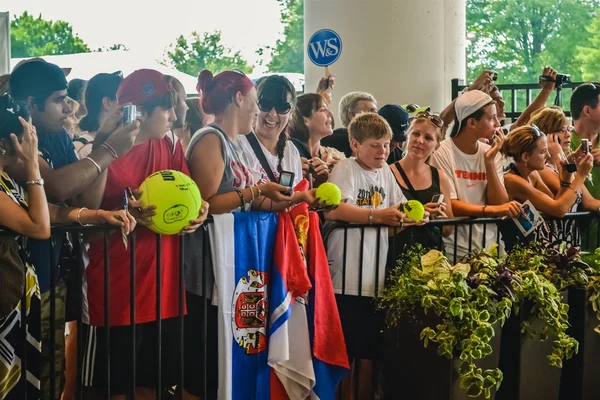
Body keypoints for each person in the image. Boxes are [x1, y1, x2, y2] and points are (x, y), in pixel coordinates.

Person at [7, 59, 139, 398]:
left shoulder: (60, 136)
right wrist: (109, 150)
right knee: (19, 377)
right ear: (31, 105)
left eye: (68, 97)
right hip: (16, 282)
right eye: (58, 99)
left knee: (50, 374)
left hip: (50, 273)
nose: (70, 106)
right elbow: (57, 188)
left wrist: (104, 144)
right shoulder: (15, 139)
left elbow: (83, 194)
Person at [79, 69, 208, 400]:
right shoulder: (106, 147)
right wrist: (103, 149)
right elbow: (85, 206)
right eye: (165, 109)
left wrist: (198, 212)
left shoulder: (168, 144)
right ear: (140, 112)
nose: (173, 115)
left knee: (157, 385)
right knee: (110, 387)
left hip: (163, 287)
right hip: (115, 286)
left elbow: (189, 195)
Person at [324, 112, 425, 400]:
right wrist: (377, 215)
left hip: (373, 277)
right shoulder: (346, 168)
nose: (382, 151)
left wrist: (423, 213)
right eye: (374, 145)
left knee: (369, 352)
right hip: (344, 277)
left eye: (385, 145)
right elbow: (335, 209)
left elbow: (402, 208)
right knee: (344, 353)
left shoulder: (386, 172)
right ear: (355, 144)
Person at [430, 90, 522, 262]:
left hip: (492, 247)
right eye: (491, 118)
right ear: (471, 122)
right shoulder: (441, 152)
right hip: (456, 250)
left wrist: (489, 162)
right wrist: (492, 211)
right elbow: (452, 205)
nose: (497, 123)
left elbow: (500, 202)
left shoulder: (491, 153)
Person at [500, 125, 593, 250]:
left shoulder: (533, 174)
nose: (548, 155)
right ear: (525, 157)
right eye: (543, 152)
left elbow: (556, 203)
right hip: (520, 252)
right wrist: (581, 176)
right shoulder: (512, 180)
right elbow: (558, 210)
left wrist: (565, 181)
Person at [390, 111, 454, 251]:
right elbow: (381, 222)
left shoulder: (440, 177)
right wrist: (418, 213)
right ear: (408, 135)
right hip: (395, 256)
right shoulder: (387, 173)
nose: (420, 141)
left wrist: (441, 220)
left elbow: (449, 230)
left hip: (432, 257)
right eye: (416, 134)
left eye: (428, 138)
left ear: (436, 146)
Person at [239, 74, 303, 187]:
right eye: (265, 104)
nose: (272, 114)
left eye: (282, 107)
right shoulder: (239, 146)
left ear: (291, 113)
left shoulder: (291, 151)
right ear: (255, 106)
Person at [288, 93, 344, 187]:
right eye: (322, 109)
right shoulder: (289, 153)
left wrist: (339, 175)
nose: (330, 113)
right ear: (305, 120)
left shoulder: (336, 156)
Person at [75, 71, 123, 159]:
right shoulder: (83, 148)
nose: (130, 104)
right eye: (123, 98)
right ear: (107, 103)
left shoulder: (118, 143)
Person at [321, 91, 377, 157]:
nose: (376, 116)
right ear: (352, 115)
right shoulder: (333, 140)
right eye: (370, 112)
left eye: (375, 112)